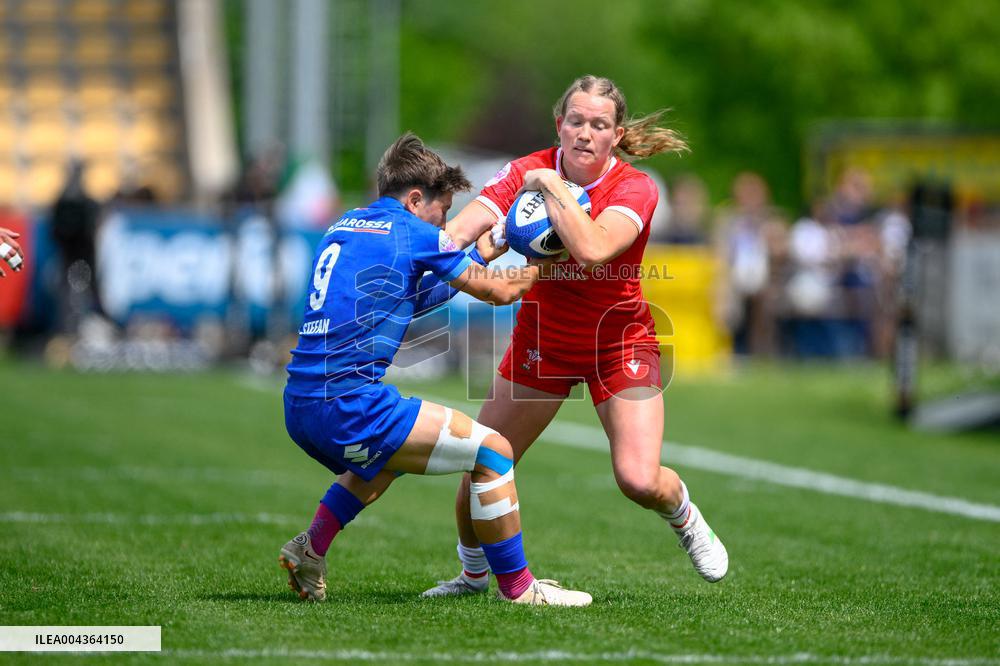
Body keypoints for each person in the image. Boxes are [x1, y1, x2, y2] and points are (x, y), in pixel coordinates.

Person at [418, 75, 729, 598]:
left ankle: (685, 515)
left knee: (637, 479)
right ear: (559, 125)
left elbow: (591, 249)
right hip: (546, 338)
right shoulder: (526, 169)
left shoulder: (636, 187)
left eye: (599, 124)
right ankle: (472, 577)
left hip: (619, 341)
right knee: (484, 461)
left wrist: (550, 186)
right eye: (577, 121)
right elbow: (464, 229)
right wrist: (436, 252)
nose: (586, 133)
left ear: (616, 134)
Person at [278, 133, 591, 606]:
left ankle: (310, 549)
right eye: (443, 212)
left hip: (301, 403)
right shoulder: (413, 231)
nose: (446, 225)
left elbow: (412, 295)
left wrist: (481, 255)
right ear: (415, 199)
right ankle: (521, 589)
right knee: (494, 451)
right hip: (350, 403)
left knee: (384, 462)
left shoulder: (347, 224)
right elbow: (500, 293)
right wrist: (548, 259)